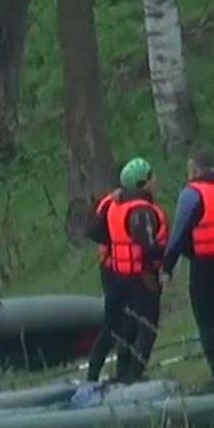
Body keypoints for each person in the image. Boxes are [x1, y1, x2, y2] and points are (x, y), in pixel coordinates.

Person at [161, 151, 214, 388]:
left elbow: (178, 233)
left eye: (190, 170)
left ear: (197, 170)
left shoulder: (192, 193)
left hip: (205, 263)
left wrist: (167, 267)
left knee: (207, 319)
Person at [80, 157, 167, 385]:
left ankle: (104, 376)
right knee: (146, 328)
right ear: (144, 183)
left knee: (118, 327)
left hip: (116, 275)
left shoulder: (113, 205)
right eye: (152, 176)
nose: (156, 181)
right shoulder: (142, 211)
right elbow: (147, 248)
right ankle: (133, 377)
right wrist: (168, 253)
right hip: (141, 277)